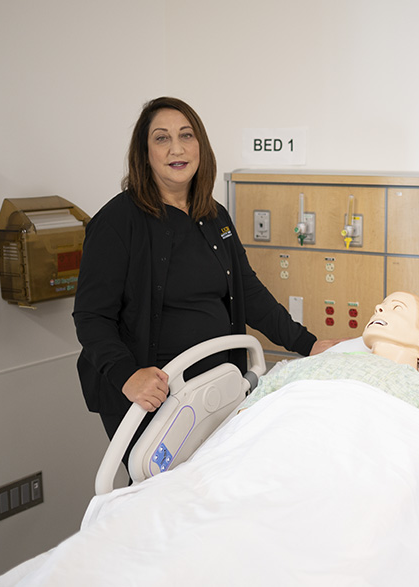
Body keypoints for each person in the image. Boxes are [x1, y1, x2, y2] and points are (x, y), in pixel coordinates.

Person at [73, 96, 331, 459]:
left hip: (215, 386)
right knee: (165, 497)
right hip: (152, 395)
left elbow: (249, 292)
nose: (176, 148)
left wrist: (308, 344)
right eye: (161, 138)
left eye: (186, 135)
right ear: (144, 153)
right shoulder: (118, 223)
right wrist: (128, 376)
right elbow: (91, 316)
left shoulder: (214, 216)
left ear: (201, 146)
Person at [238, 292, 419, 442]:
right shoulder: (318, 362)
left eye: (396, 308)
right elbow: (250, 412)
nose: (379, 308)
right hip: (280, 439)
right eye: (381, 306)